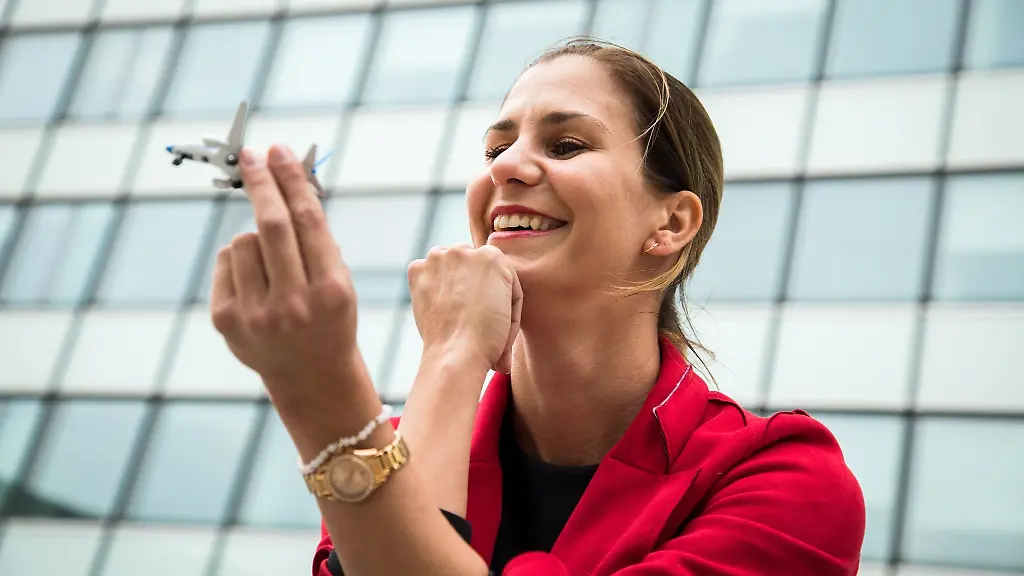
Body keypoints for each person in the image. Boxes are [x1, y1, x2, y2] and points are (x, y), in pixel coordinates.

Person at [209, 38, 867, 576]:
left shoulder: (786, 483)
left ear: (670, 223)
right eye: (496, 149)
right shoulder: (399, 446)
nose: (506, 168)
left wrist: (333, 392)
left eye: (566, 145)